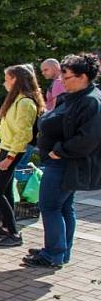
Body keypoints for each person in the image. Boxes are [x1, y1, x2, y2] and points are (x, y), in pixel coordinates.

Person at [24, 54, 101, 268]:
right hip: (62, 162)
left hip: (65, 163)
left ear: (83, 77)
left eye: (66, 77)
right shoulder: (75, 96)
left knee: (50, 206)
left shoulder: (90, 100)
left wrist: (60, 151)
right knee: (64, 207)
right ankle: (59, 251)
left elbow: (89, 138)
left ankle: (53, 254)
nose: (62, 81)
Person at [0, 64, 45, 247]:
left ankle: (15, 234)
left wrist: (9, 157)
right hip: (7, 147)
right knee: (6, 190)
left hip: (13, 151)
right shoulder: (17, 99)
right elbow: (12, 127)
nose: (4, 83)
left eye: (7, 79)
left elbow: (23, 134)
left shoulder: (25, 102)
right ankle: (6, 228)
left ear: (16, 80)